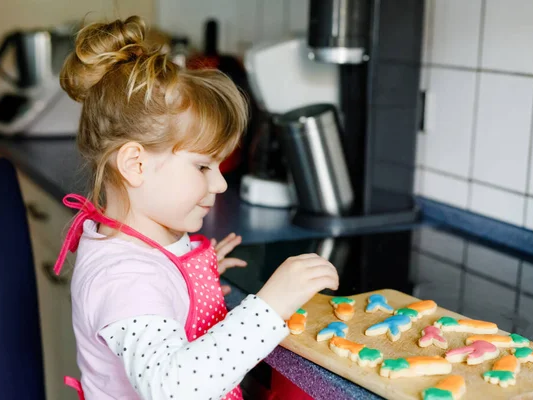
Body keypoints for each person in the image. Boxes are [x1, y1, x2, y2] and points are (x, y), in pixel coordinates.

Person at [54, 15, 339, 400]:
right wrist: (270, 305)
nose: (220, 183)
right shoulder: (125, 278)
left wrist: (186, 283)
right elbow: (176, 388)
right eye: (203, 166)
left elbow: (155, 300)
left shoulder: (138, 250)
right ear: (135, 165)